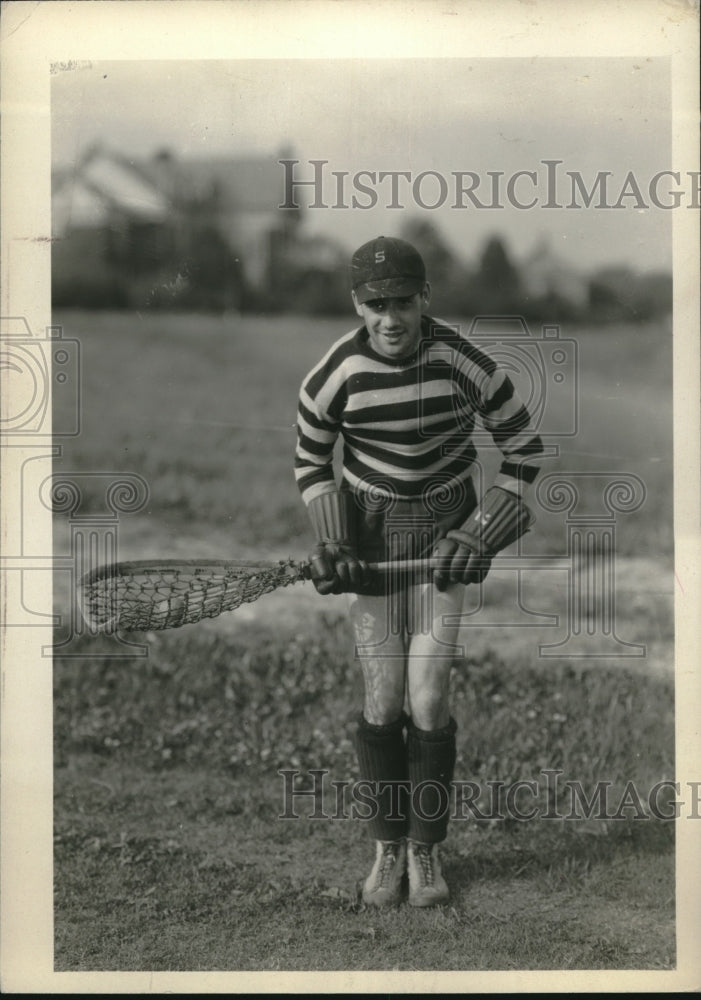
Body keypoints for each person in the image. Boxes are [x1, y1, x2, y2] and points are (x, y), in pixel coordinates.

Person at [294, 235, 543, 907]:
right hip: (370, 536)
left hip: (444, 534)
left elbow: (523, 450)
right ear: (356, 304)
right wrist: (334, 537)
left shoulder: (462, 362)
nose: (389, 318)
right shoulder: (330, 377)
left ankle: (424, 852)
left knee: (428, 695)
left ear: (423, 298)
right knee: (381, 697)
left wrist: (479, 532)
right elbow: (312, 463)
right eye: (374, 304)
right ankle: (385, 850)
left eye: (401, 301)